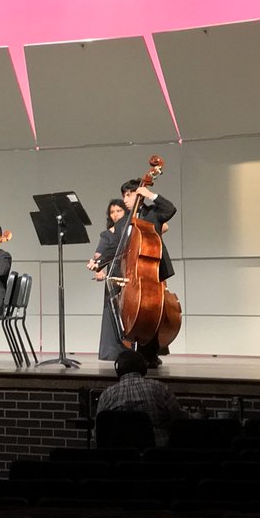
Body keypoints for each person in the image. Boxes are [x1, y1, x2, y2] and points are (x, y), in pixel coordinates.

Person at [96, 179, 177, 369]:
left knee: (154, 313)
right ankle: (134, 354)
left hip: (153, 270)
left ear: (138, 194)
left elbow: (170, 209)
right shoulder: (124, 221)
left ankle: (151, 354)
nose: (125, 199)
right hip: (134, 274)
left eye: (128, 194)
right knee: (137, 311)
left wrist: (150, 195)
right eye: (123, 195)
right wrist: (98, 264)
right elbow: (114, 247)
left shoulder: (153, 214)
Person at [98, 349, 188, 446]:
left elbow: (97, 433)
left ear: (117, 370)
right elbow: (180, 420)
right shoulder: (159, 389)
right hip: (157, 456)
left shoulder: (107, 395)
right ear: (144, 368)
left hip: (119, 455)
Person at [87, 198, 129, 361]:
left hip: (132, 272)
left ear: (125, 212)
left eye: (118, 211)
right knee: (112, 312)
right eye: (112, 212)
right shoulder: (107, 234)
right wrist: (99, 269)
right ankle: (112, 350)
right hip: (115, 273)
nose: (115, 214)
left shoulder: (130, 229)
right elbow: (99, 254)